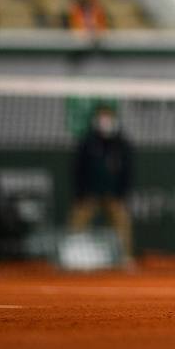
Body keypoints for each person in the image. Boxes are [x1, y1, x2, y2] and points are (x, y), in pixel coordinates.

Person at [69, 103, 134, 260]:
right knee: (77, 221)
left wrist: (122, 194)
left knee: (122, 221)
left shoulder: (121, 144)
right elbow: (78, 169)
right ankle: (72, 256)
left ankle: (125, 257)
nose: (105, 121)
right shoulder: (87, 142)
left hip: (114, 193)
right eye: (101, 117)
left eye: (108, 117)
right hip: (89, 193)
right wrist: (81, 193)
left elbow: (128, 171)